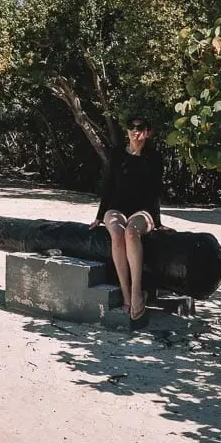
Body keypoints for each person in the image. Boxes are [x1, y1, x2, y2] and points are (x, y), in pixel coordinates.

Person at [89, 115, 164, 329]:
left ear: (148, 132)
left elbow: (155, 193)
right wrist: (99, 216)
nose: (135, 131)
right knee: (116, 230)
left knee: (132, 232)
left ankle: (136, 290)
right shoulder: (117, 154)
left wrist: (157, 223)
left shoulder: (154, 158)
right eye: (131, 127)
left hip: (143, 211)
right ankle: (125, 293)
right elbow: (108, 186)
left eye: (140, 128)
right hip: (117, 208)